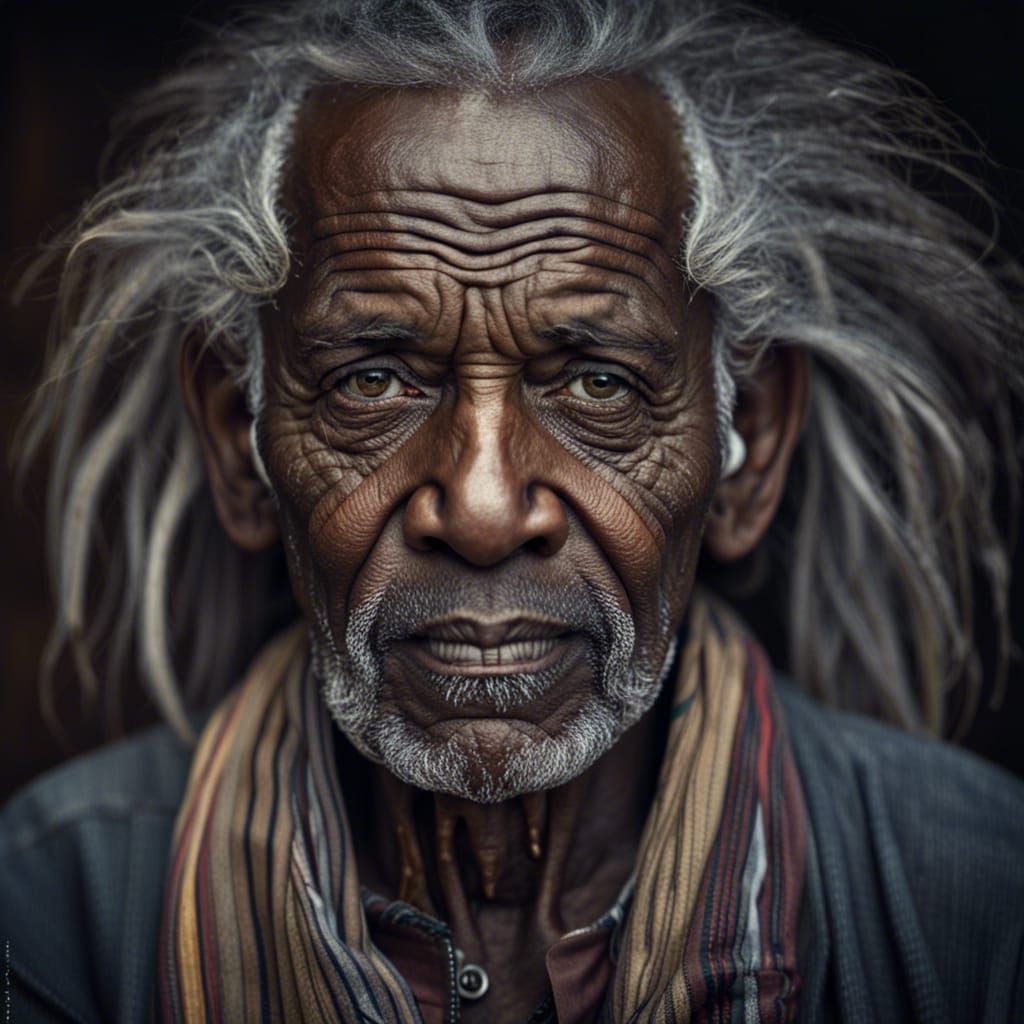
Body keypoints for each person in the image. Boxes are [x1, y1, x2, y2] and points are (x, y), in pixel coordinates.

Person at [2, 1, 1022, 1021]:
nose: (484, 510)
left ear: (746, 439)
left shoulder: (981, 905)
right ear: (241, 437)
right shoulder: (56, 915)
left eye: (598, 385)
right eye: (372, 381)